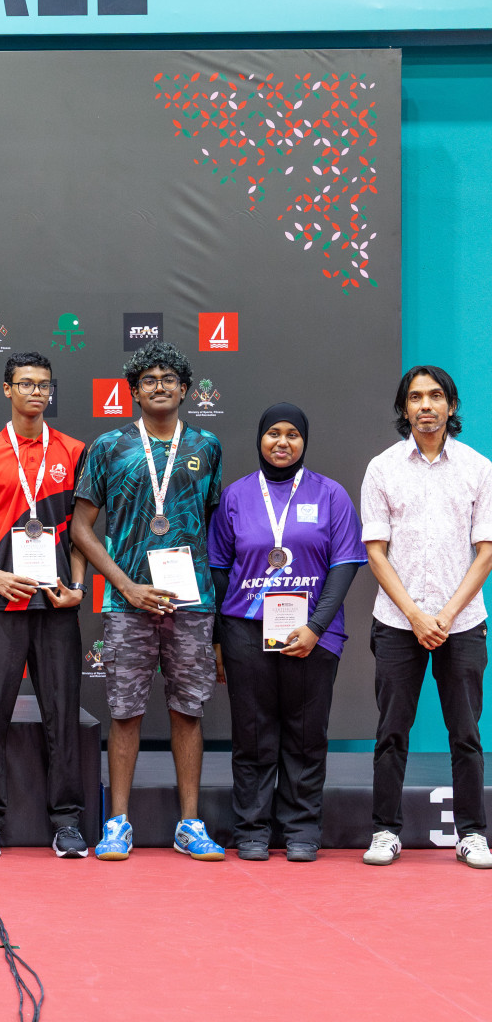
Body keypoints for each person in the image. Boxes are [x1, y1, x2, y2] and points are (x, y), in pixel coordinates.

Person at [71, 340, 226, 862]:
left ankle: (190, 824)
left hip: (193, 601)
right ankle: (117, 823)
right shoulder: (110, 446)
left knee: (188, 709)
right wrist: (127, 585)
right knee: (124, 711)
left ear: (185, 390)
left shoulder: (207, 445)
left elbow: (211, 523)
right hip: (128, 602)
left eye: (169, 379)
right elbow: (81, 529)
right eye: (148, 380)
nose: (159, 386)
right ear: (134, 392)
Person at [209, 404, 365, 862]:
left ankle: (301, 828)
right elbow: (219, 571)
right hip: (245, 631)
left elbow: (345, 565)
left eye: (292, 434)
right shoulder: (236, 496)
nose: (282, 442)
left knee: (305, 734)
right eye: (273, 433)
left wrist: (316, 626)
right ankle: (252, 829)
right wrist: (222, 635)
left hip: (312, 633)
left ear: (304, 441)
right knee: (253, 734)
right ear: (260, 439)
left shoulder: (331, 494)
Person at [0, 352, 89, 859]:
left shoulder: (74, 451)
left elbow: (80, 532)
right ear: (6, 389)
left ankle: (67, 821)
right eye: (26, 384)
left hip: (56, 604)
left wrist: (77, 585)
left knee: (62, 716)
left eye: (44, 385)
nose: (36, 392)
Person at [360, 366, 492, 869]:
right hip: (397, 623)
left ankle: (472, 833)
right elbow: (376, 551)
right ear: (404, 408)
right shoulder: (382, 468)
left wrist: (445, 614)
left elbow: (485, 551)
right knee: (392, 731)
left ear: (451, 406)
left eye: (436, 396)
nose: (426, 406)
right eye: (415, 398)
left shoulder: (479, 467)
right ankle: (385, 830)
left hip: (462, 622)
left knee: (466, 734)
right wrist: (415, 615)